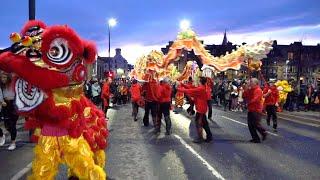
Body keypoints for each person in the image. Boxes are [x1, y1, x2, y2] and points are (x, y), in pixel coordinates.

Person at [178, 77, 212, 143]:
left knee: (198, 123)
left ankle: (201, 138)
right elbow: (191, 88)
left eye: (198, 81)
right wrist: (182, 85)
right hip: (202, 108)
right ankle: (209, 136)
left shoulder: (201, 88)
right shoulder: (203, 87)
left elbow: (190, 90)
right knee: (204, 123)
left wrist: (179, 89)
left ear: (200, 81)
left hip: (201, 109)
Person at [243, 78, 267, 143]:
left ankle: (263, 132)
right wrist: (246, 89)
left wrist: (248, 102)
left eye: (251, 82)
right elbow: (244, 95)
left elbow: (256, 99)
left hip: (256, 109)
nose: (249, 83)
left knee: (256, 124)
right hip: (250, 109)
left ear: (255, 83)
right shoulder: (250, 90)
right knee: (250, 125)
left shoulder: (258, 90)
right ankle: (256, 138)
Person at [0, 73, 19, 150]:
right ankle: (3, 135)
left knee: (12, 124)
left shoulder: (13, 84)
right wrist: (1, 101)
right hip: (5, 104)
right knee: (7, 125)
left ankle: (13, 142)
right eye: (2, 77)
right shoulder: (1, 86)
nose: (3, 79)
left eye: (4, 77)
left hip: (14, 104)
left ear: (8, 78)